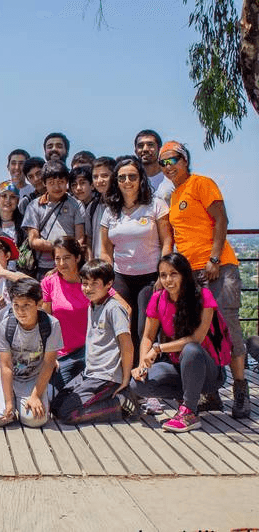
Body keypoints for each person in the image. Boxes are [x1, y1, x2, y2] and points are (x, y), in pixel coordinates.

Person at [159, 140, 249, 418]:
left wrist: (214, 258)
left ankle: (241, 391)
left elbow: (221, 219)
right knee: (203, 331)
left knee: (228, 327)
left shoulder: (201, 183)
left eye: (172, 160)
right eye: (163, 163)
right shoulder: (174, 196)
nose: (167, 166)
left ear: (185, 160)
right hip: (191, 274)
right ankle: (212, 392)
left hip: (218, 267)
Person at [131, 253, 228, 432]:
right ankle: (186, 398)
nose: (168, 280)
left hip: (209, 372)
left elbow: (196, 339)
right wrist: (142, 364)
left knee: (191, 349)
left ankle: (189, 412)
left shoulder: (203, 296)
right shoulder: (158, 298)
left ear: (184, 274)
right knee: (138, 384)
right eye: (163, 275)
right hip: (178, 366)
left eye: (173, 274)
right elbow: (147, 336)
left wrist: (158, 349)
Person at [100, 156, 172, 353]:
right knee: (124, 329)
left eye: (132, 176)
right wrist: (108, 281)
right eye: (121, 177)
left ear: (141, 178)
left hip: (150, 277)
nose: (127, 181)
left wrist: (163, 275)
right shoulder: (109, 211)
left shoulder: (156, 205)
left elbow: (167, 241)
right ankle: (128, 370)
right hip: (120, 277)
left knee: (144, 330)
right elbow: (105, 251)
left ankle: (147, 368)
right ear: (116, 181)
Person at [51, 260, 136, 424]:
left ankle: (119, 404)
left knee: (68, 414)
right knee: (56, 407)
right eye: (85, 283)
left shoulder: (114, 308)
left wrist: (125, 380)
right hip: (89, 372)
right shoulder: (92, 305)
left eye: (94, 284)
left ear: (109, 284)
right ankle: (111, 401)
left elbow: (127, 346)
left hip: (106, 376)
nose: (88, 288)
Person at [42, 237, 122, 390]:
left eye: (66, 258)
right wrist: (49, 355)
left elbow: (125, 308)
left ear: (77, 257)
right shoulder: (49, 282)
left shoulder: (90, 282)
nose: (61, 263)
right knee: (59, 399)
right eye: (57, 259)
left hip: (92, 352)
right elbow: (46, 322)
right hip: (62, 355)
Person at [0, 278, 62, 428]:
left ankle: (33, 400)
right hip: (9, 379)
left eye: (27, 305)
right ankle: (13, 404)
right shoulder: (5, 326)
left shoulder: (51, 325)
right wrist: (9, 402)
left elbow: (48, 364)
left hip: (33, 379)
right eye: (16, 305)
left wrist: (35, 396)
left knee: (35, 419)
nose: (20, 311)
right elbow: (6, 366)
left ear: (39, 304)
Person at [22, 160, 85, 279]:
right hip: (43, 268)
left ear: (67, 182)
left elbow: (80, 239)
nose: (56, 187)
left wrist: (61, 263)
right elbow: (33, 241)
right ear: (44, 183)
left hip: (71, 267)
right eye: (51, 183)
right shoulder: (34, 206)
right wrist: (61, 249)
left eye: (61, 182)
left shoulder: (76, 205)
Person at [0, 181, 26, 271]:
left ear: (18, 200)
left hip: (19, 274)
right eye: (4, 196)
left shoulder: (25, 224)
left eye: (13, 197)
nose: (8, 200)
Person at [134, 129, 174, 205]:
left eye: (150, 145)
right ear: (135, 151)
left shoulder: (172, 180)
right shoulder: (130, 182)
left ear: (160, 149)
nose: (145, 149)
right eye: (140, 146)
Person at [86, 156, 115, 259]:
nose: (99, 180)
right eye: (95, 177)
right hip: (99, 265)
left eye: (104, 176)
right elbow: (89, 238)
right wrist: (90, 260)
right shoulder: (92, 207)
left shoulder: (123, 205)